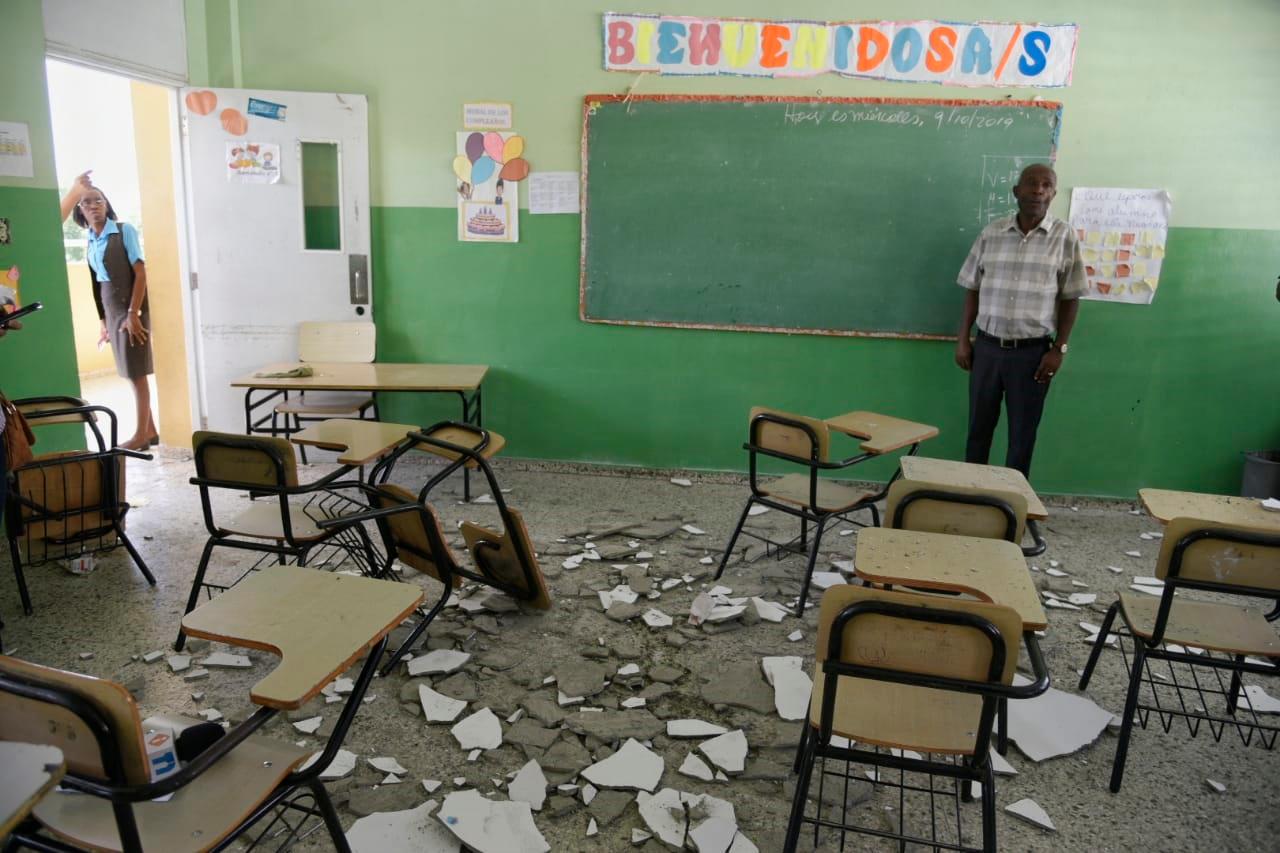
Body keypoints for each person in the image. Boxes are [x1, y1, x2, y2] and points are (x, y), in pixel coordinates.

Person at [954, 163, 1086, 478]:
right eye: (1030, 183)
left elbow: (1071, 297)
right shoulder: (991, 233)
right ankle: (971, 497)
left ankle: (1011, 505)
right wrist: (963, 340)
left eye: (1046, 184)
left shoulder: (1065, 237)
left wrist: (1060, 349)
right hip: (986, 349)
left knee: (1022, 436)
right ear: (1017, 191)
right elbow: (972, 289)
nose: (1037, 190)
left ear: (1053, 193)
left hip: (1033, 355)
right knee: (977, 430)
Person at [70, 185, 158, 450]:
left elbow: (140, 274)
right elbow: (97, 283)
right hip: (112, 310)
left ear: (106, 205)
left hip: (130, 308)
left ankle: (141, 435)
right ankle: (151, 431)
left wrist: (134, 314)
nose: (94, 206)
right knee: (130, 372)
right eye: (87, 202)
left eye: (99, 201)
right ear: (80, 210)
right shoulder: (90, 239)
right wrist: (103, 322)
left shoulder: (123, 231)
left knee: (137, 372)